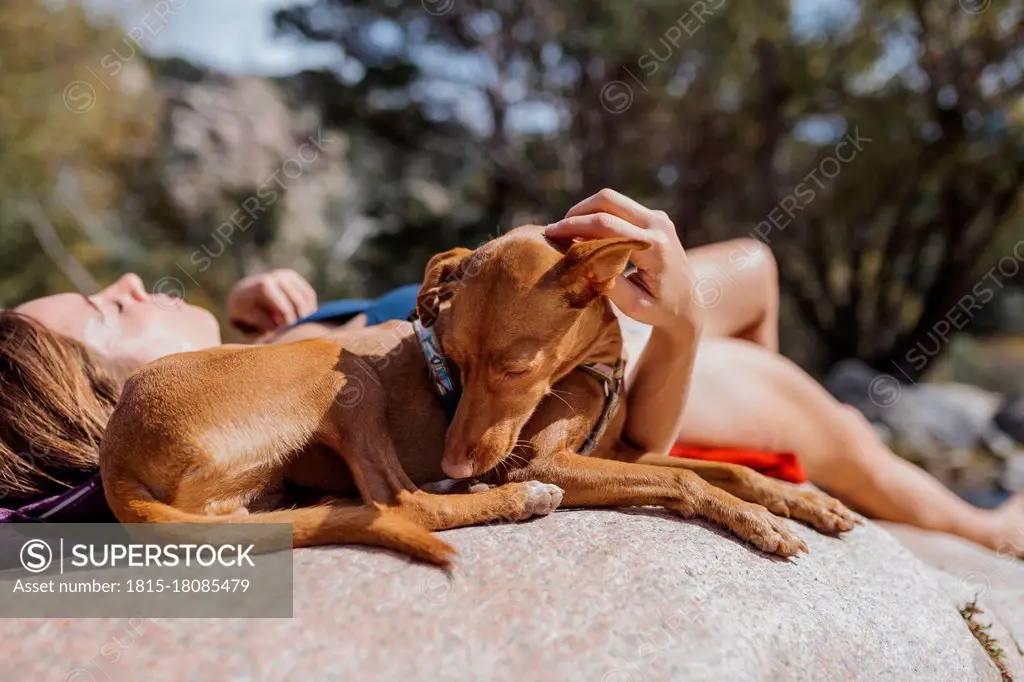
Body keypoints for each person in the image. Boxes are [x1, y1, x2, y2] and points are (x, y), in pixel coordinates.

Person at [3, 189, 1022, 554]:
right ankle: (970, 523)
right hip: (642, 382)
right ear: (95, 396)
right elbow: (628, 446)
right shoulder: (196, 413)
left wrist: (263, 312)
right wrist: (677, 330)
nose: (131, 280)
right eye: (108, 311)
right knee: (774, 334)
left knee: (755, 273)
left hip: (539, 336)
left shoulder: (254, 366)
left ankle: (897, 491)